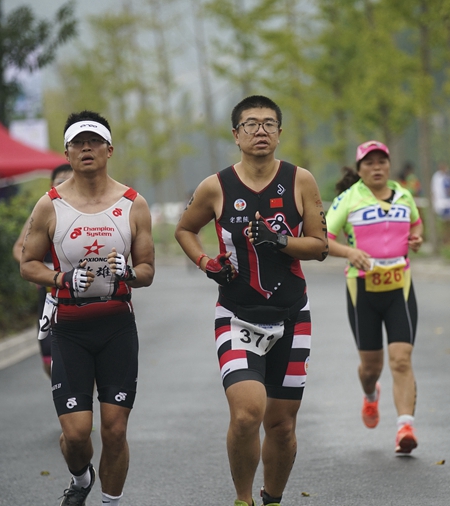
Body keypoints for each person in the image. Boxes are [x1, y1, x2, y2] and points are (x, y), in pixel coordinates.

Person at [174, 95, 328, 506]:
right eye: (251, 124)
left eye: (269, 124)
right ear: (236, 134)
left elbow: (319, 246)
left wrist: (280, 241)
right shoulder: (216, 186)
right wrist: (207, 262)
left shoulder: (301, 180)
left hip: (293, 316)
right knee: (247, 414)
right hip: (237, 317)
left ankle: (271, 499)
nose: (261, 131)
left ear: (279, 132)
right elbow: (185, 230)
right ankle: (243, 499)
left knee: (281, 426)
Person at [20, 110, 155, 506]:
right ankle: (80, 479)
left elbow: (147, 270)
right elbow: (28, 264)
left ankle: (111, 502)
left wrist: (127, 273)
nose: (86, 148)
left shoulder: (133, 203)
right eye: (78, 142)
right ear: (67, 151)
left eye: (94, 141)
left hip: (116, 328)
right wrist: (62, 279)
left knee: (114, 431)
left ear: (109, 149)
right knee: (77, 435)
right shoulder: (50, 205)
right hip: (70, 330)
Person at [325, 140, 423, 455]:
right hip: (362, 291)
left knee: (401, 359)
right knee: (372, 368)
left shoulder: (404, 195)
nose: (376, 167)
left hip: (399, 288)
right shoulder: (347, 200)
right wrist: (350, 252)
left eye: (382, 161)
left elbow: (416, 223)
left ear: (389, 165)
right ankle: (370, 394)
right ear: (359, 169)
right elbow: (323, 240)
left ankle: (405, 427)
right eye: (369, 163)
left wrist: (417, 237)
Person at [13, 163, 73, 377]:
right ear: (51, 185)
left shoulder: (88, 211)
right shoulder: (43, 210)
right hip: (49, 295)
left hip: (80, 293)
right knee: (49, 360)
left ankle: (80, 398)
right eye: (60, 182)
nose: (65, 185)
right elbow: (20, 248)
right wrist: (36, 269)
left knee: (84, 357)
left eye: (70, 180)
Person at [430, 162, 450, 245]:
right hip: (440, 202)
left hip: (448, 201)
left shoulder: (448, 176)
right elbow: (433, 190)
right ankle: (444, 239)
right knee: (443, 222)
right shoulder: (436, 177)